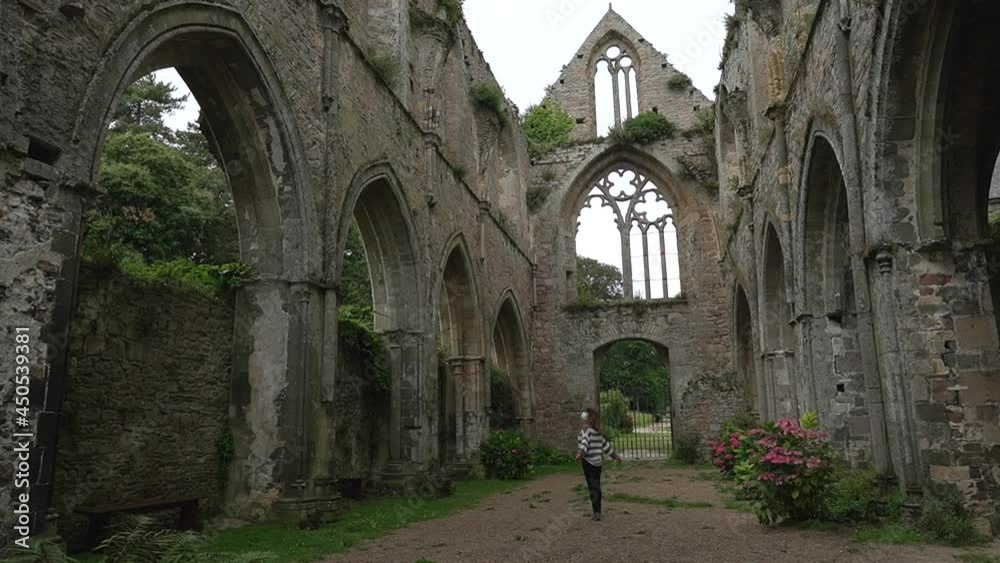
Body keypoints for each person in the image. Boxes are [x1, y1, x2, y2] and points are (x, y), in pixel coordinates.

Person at [576, 407, 621, 521]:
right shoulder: (598, 433)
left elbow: (584, 443)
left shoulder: (587, 431)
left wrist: (580, 453)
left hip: (588, 462)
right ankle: (598, 510)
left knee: (592, 486)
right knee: (596, 485)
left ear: (587, 419)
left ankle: (596, 512)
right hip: (598, 463)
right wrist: (615, 456)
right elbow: (606, 446)